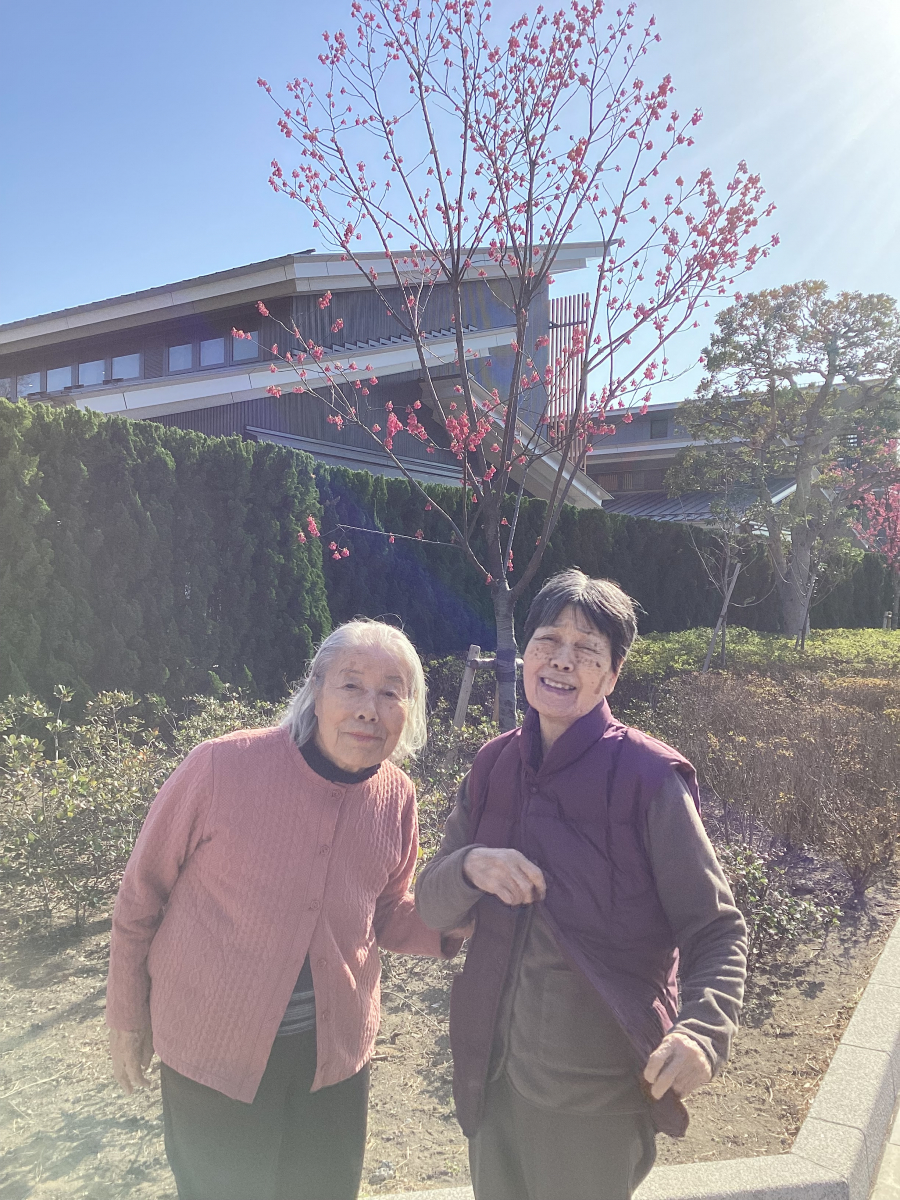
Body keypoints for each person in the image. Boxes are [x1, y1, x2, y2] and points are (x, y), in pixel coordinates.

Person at [415, 569, 748, 1200]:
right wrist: (470, 866)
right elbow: (431, 902)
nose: (561, 660)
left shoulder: (648, 777)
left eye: (587, 649)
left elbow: (715, 928)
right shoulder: (494, 764)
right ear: (526, 654)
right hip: (492, 1076)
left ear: (612, 675)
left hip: (594, 1096)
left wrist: (703, 1031)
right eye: (547, 641)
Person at [106, 619, 465, 1200]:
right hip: (213, 1049)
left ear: (410, 710)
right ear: (315, 691)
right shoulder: (220, 767)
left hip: (333, 1061)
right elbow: (140, 895)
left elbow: (386, 911)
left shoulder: (396, 796)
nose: (369, 708)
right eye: (351, 685)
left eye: (391, 692)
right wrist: (126, 1014)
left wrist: (459, 921)